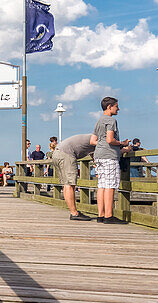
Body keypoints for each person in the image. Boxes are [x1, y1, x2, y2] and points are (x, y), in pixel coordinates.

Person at [93, 96, 132, 224]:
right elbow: (110, 140)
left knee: (102, 185)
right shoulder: (111, 120)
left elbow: (92, 141)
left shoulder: (99, 121)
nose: (118, 108)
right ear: (109, 107)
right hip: (109, 157)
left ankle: (100, 215)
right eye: (116, 106)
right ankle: (109, 216)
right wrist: (122, 143)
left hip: (98, 155)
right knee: (110, 186)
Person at [54, 133, 95, 220]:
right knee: (70, 184)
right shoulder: (96, 140)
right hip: (66, 154)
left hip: (57, 153)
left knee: (66, 184)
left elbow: (93, 155)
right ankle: (74, 213)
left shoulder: (90, 139)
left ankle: (73, 211)